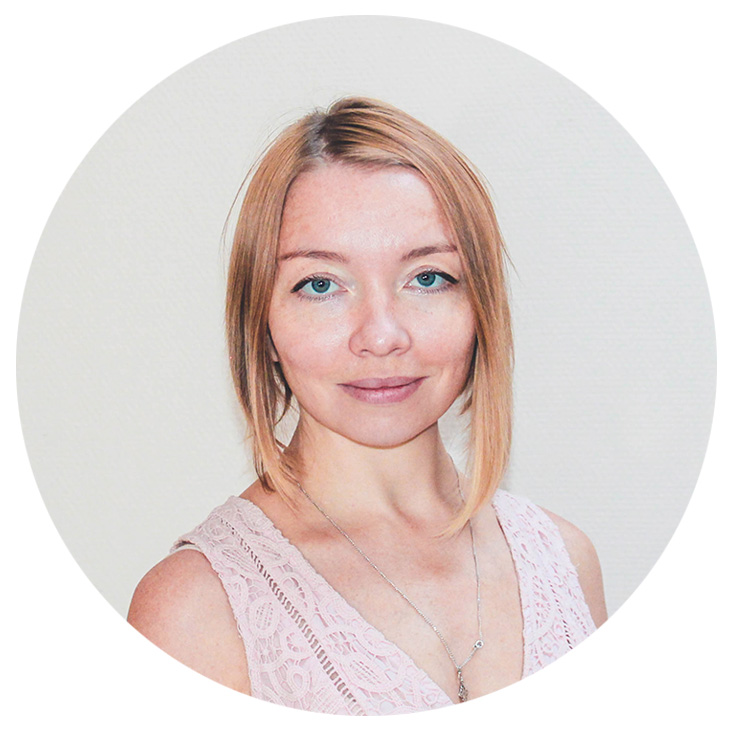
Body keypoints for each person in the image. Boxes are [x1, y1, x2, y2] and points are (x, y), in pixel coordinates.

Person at [127, 97, 607, 715]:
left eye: (427, 277)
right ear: (261, 325)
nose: (381, 336)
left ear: (481, 308)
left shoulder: (565, 560)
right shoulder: (195, 609)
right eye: (320, 285)